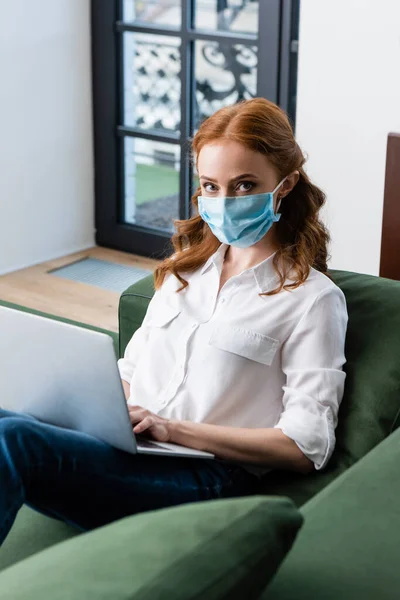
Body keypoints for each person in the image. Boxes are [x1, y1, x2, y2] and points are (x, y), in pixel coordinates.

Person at [0, 98, 348, 545]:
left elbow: (306, 446)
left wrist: (173, 429)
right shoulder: (183, 274)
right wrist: (93, 409)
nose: (224, 202)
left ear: (285, 184)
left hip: (207, 478)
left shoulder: (313, 300)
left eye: (244, 186)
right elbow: (129, 374)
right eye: (211, 185)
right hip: (134, 449)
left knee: (17, 443)